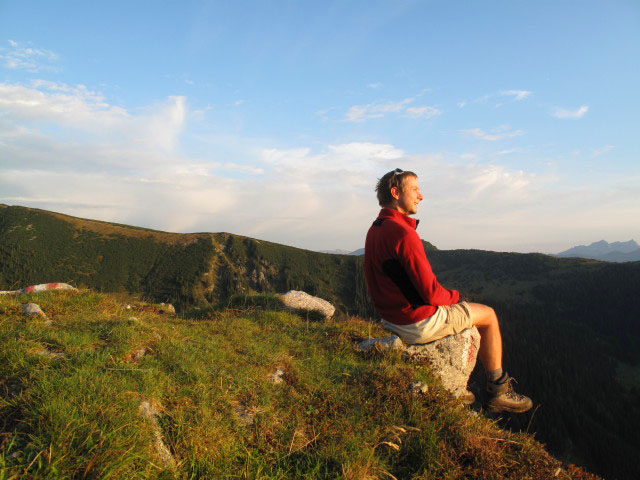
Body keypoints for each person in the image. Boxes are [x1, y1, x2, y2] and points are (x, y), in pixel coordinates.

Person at [364, 168, 532, 413]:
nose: (421, 196)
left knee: (475, 311)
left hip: (391, 320)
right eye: (415, 190)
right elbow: (431, 294)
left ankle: (468, 389)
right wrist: (457, 297)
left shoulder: (375, 229)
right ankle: (499, 391)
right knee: (488, 315)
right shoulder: (404, 234)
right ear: (395, 193)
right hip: (416, 323)